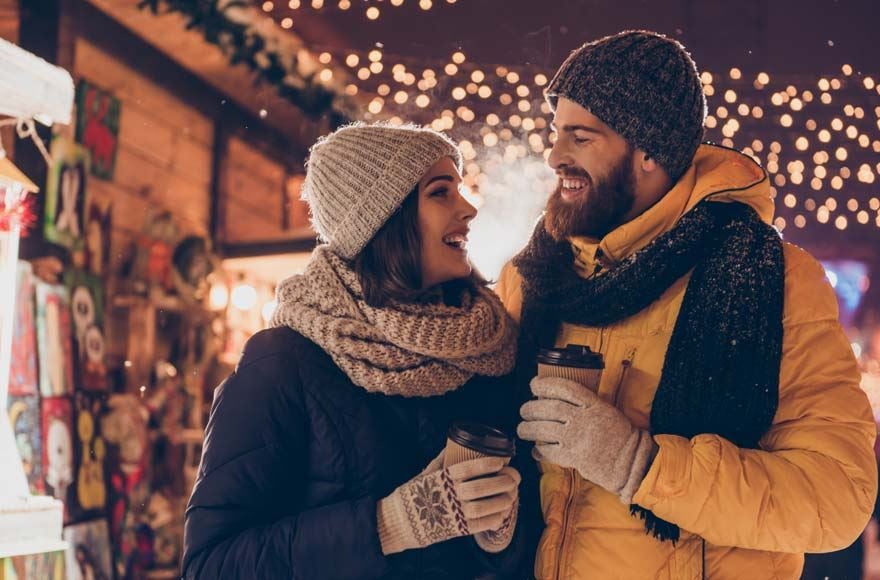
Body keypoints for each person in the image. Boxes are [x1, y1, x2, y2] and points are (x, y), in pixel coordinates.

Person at [497, 30, 878, 578]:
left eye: (581, 137)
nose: (556, 156)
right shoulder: (532, 277)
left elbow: (835, 499)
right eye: (555, 133)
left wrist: (642, 466)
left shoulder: (770, 279)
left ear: (649, 150)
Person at [183, 122, 537, 579]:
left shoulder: (488, 354)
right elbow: (212, 566)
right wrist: (390, 525)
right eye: (440, 192)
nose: (468, 208)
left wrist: (501, 538)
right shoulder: (284, 362)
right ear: (384, 218)